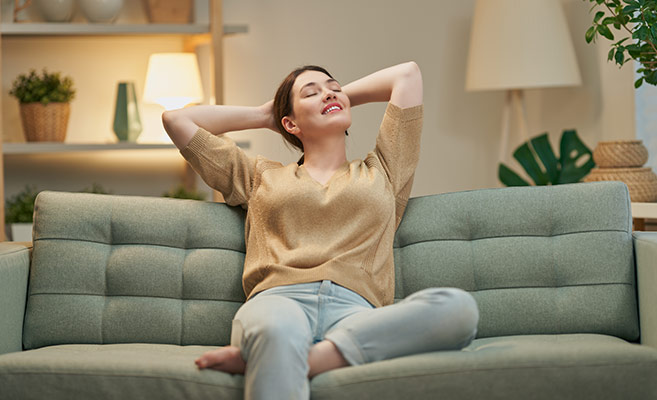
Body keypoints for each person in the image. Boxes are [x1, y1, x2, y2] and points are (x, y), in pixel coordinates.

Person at [162, 62, 479, 400]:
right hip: (278, 303)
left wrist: (334, 99)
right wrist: (267, 114)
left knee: (459, 309)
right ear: (290, 124)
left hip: (357, 314)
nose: (328, 92)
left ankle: (282, 359)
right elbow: (177, 120)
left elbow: (408, 75)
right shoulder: (259, 177)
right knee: (277, 330)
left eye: (333, 86)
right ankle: (277, 350)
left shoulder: (384, 171)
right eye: (311, 92)